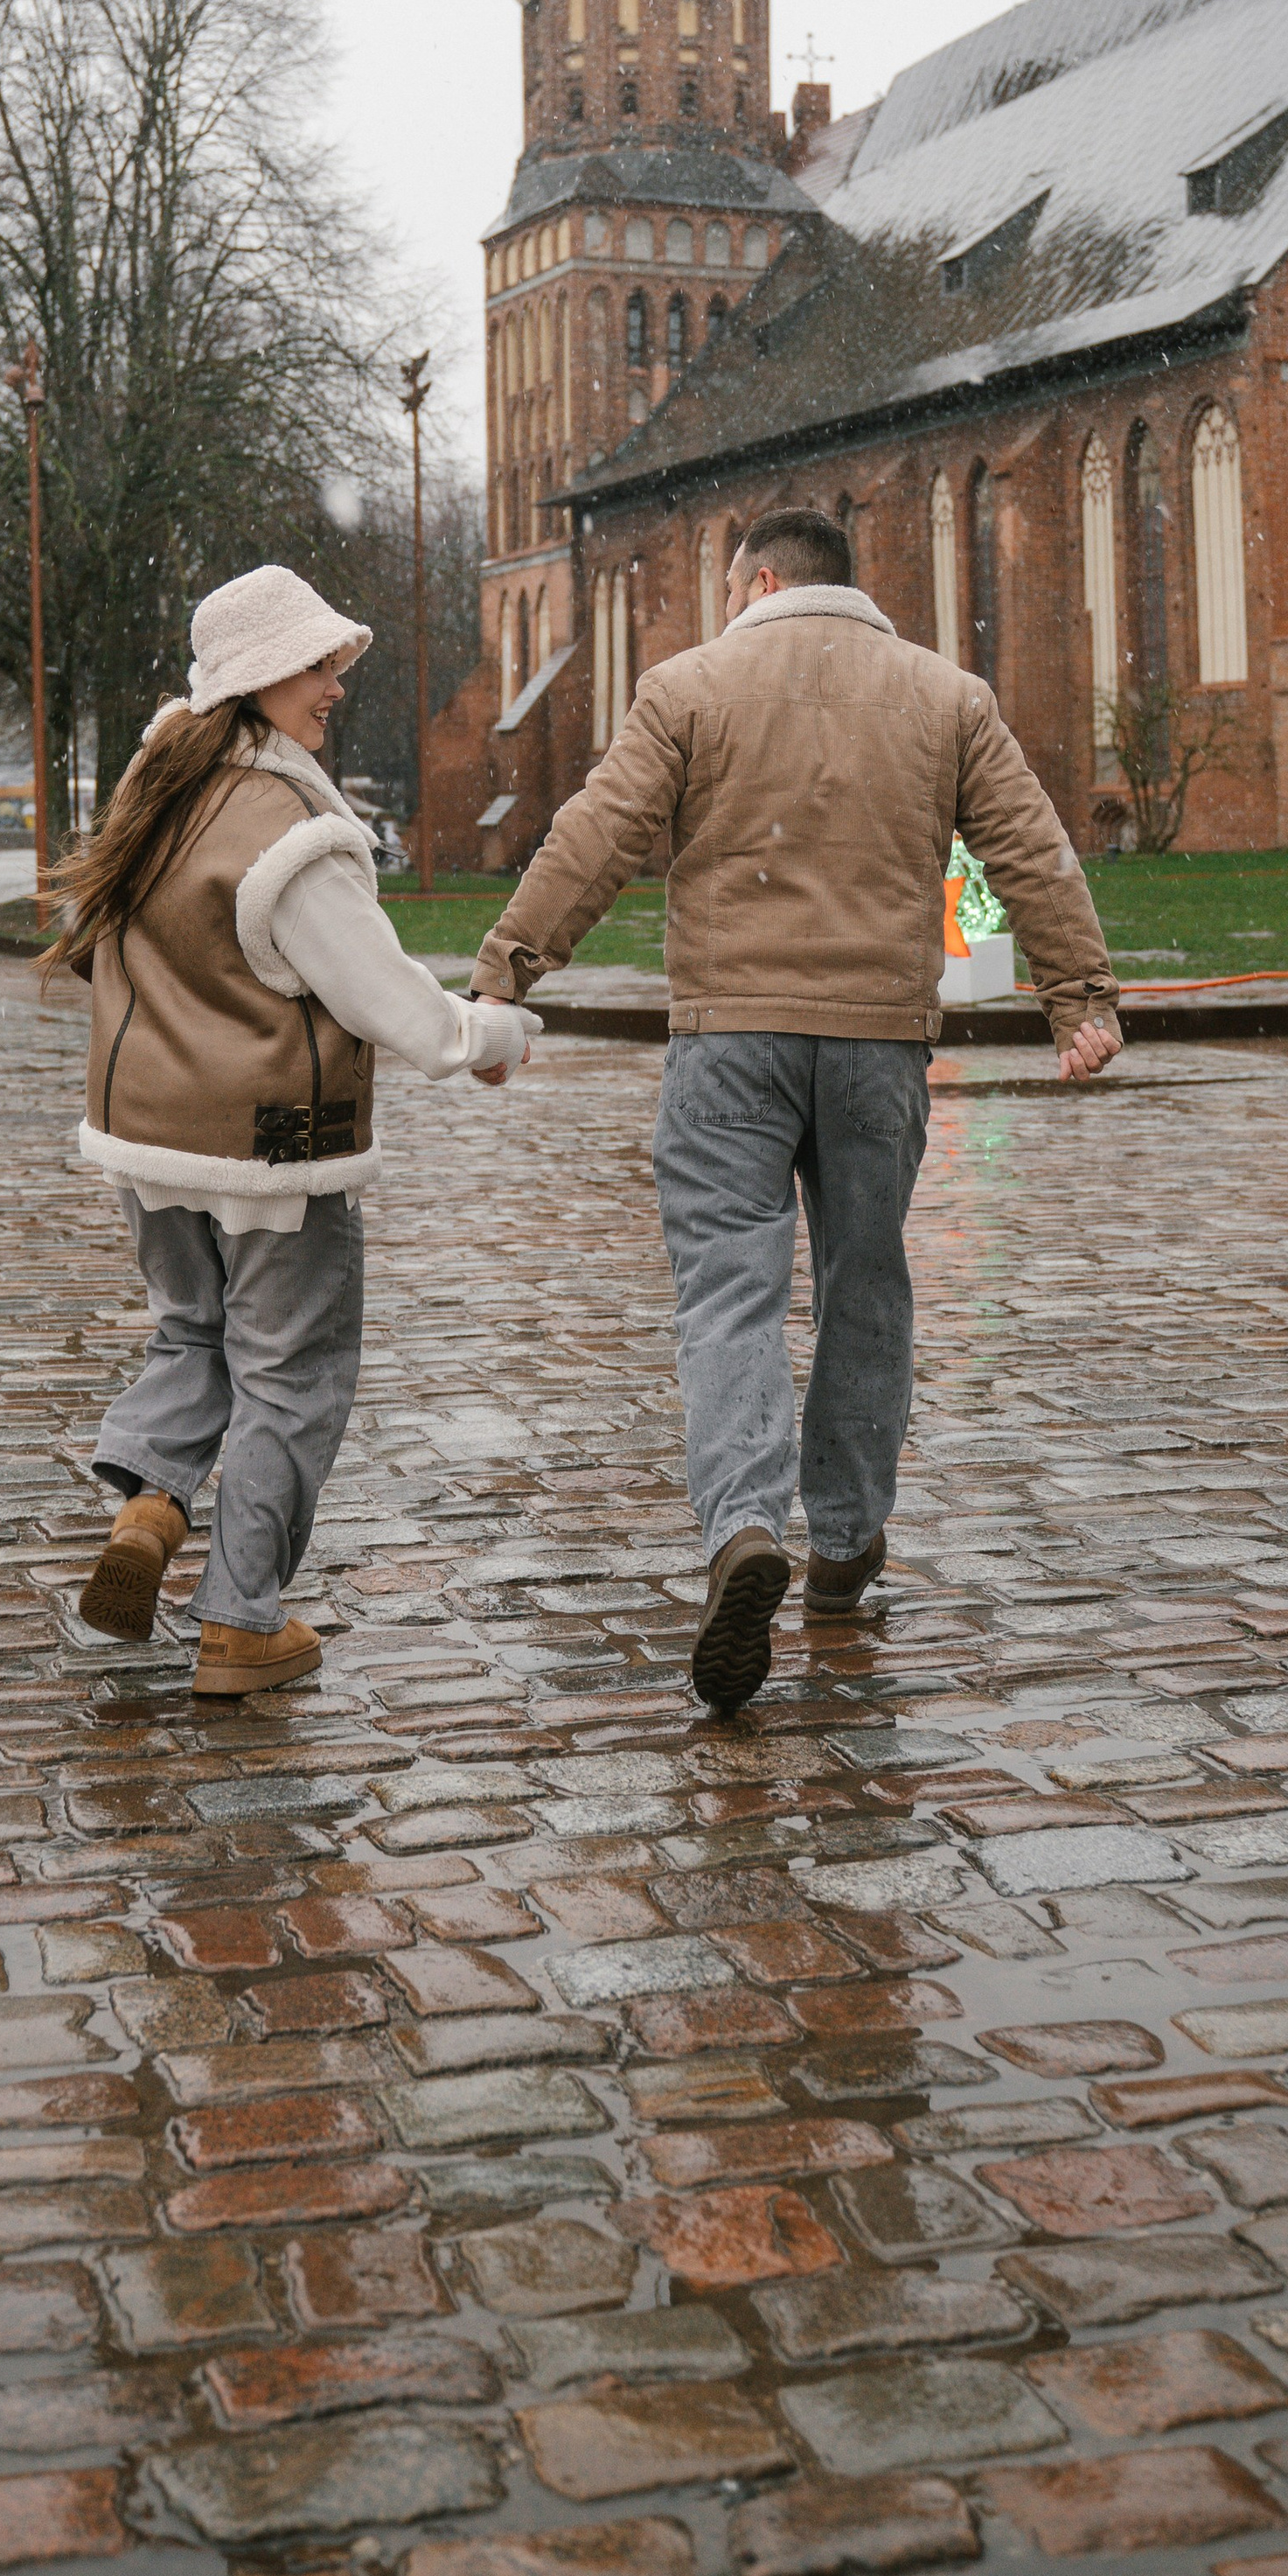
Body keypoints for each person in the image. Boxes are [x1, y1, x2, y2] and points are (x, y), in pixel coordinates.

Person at [470, 506, 1123, 1715]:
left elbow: (597, 834)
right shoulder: (947, 696)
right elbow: (1030, 847)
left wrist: (510, 968)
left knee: (729, 1288)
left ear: (761, 582)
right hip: (878, 1043)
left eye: (731, 594)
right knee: (865, 1285)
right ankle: (847, 1538)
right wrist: (1076, 994)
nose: (727, 612)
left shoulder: (689, 687)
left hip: (729, 1040)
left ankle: (744, 1526)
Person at [52, 564, 537, 1696]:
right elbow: (379, 991)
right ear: (262, 673)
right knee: (290, 1377)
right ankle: (239, 1623)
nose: (335, 685)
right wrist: (488, 1037)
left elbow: (103, 947)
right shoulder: (288, 831)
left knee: (191, 1337)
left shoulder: (155, 790)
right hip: (274, 1151)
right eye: (318, 665)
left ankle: (150, 1508)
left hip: (147, 1144)